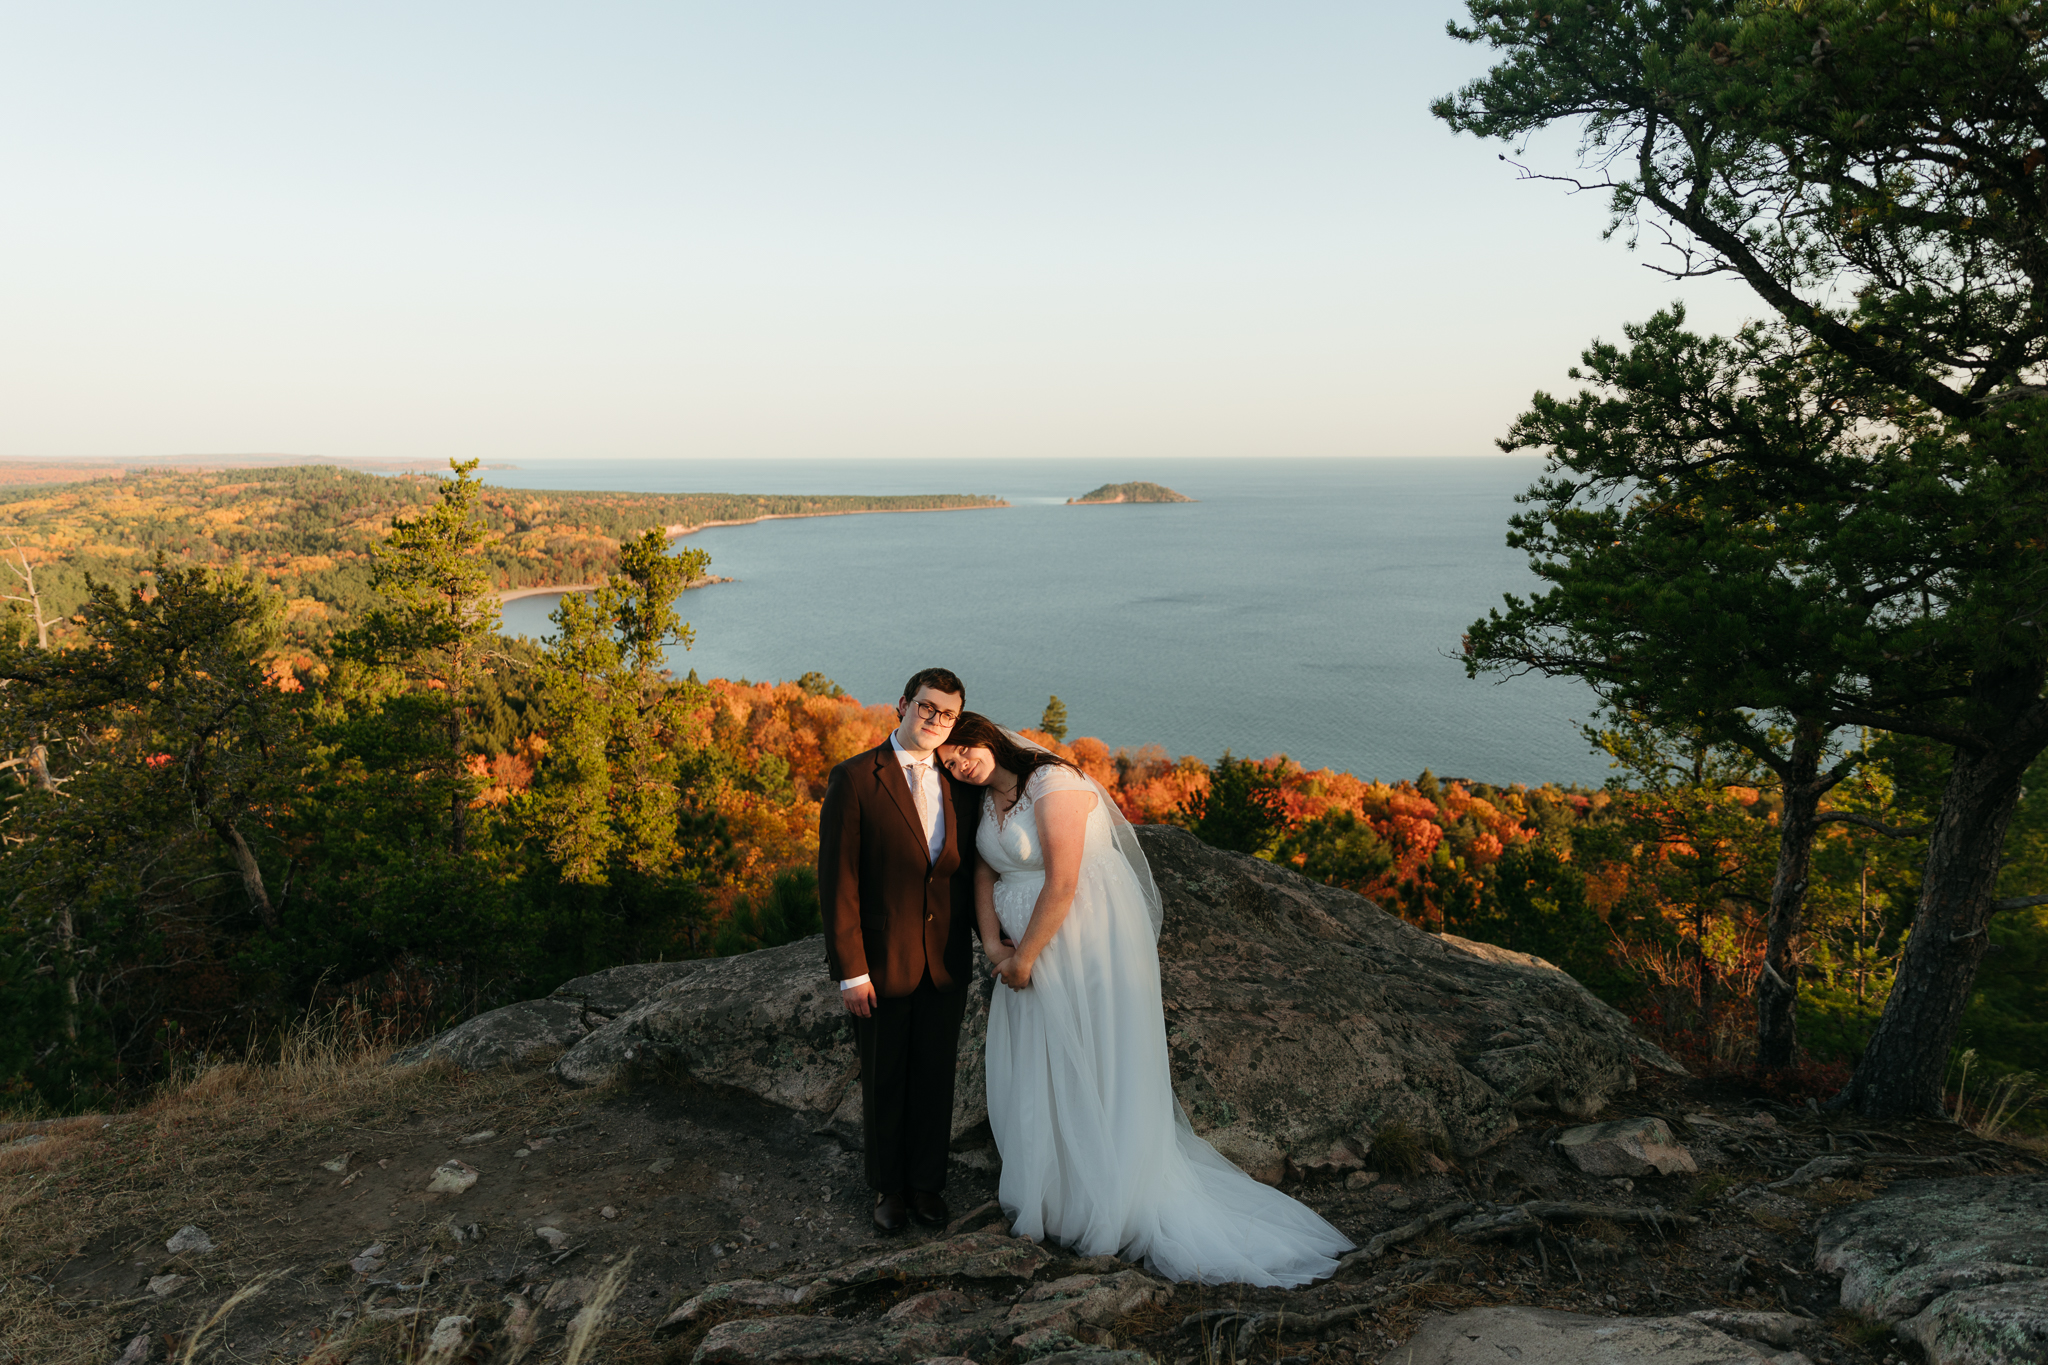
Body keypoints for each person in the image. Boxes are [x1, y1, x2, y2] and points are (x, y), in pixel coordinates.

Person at [938, 713, 1353, 1286]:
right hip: (1018, 956)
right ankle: (1058, 1192)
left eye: (963, 749)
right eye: (948, 760)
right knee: (1045, 1066)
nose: (958, 762)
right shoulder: (985, 799)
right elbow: (984, 874)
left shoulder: (1053, 784)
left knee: (1094, 1057)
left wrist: (1027, 956)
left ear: (988, 736)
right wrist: (993, 947)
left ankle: (1108, 1193)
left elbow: (1063, 881)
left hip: (1078, 944)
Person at [817, 667, 984, 1235]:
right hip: (882, 963)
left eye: (947, 714)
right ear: (903, 705)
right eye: (927, 707)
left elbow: (966, 875)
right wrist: (851, 972)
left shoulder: (962, 782)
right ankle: (888, 1189)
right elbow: (838, 882)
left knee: (935, 1077)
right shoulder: (857, 778)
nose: (935, 720)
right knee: (885, 1078)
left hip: (945, 962)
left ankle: (927, 1186)